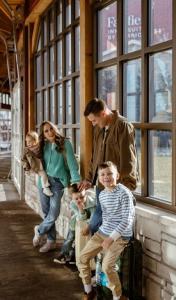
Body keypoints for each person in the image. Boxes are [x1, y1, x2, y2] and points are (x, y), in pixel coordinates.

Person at [79, 98, 138, 235]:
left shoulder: (123, 126)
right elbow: (95, 157)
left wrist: (125, 188)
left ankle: (87, 251)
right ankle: (91, 251)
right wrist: (89, 179)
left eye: (94, 120)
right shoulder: (99, 129)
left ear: (103, 113)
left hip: (116, 186)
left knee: (105, 224)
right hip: (101, 184)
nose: (93, 124)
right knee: (101, 219)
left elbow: (129, 160)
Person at [78, 161, 135, 300]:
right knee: (82, 259)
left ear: (117, 175)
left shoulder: (124, 193)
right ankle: (89, 292)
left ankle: (118, 296)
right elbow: (104, 216)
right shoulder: (102, 195)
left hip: (120, 236)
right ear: (99, 177)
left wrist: (111, 239)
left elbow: (127, 220)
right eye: (102, 174)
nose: (106, 177)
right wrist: (91, 228)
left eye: (110, 173)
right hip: (103, 232)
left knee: (107, 267)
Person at [33, 121, 81, 253]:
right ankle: (51, 241)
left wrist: (76, 180)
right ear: (43, 134)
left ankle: (39, 230)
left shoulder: (65, 143)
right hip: (43, 182)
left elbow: (72, 164)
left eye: (51, 129)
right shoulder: (42, 145)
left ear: (55, 129)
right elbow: (33, 158)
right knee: (46, 212)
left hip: (57, 183)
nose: (49, 133)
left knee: (53, 213)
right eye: (46, 131)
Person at [53, 183, 96, 264]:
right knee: (70, 239)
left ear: (85, 193)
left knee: (81, 240)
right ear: (72, 198)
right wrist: (81, 209)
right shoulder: (73, 204)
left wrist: (87, 223)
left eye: (82, 197)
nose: (79, 200)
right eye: (76, 199)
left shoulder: (92, 203)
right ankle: (64, 254)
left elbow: (93, 218)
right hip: (75, 224)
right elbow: (81, 218)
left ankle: (74, 257)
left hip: (88, 225)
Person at [21, 131, 53, 197]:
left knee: (41, 176)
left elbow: (44, 142)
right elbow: (23, 160)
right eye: (27, 141)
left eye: (30, 141)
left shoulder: (39, 147)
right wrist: (26, 167)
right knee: (43, 174)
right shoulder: (26, 150)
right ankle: (45, 188)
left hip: (42, 164)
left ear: (35, 141)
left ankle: (41, 184)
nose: (28, 143)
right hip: (35, 167)